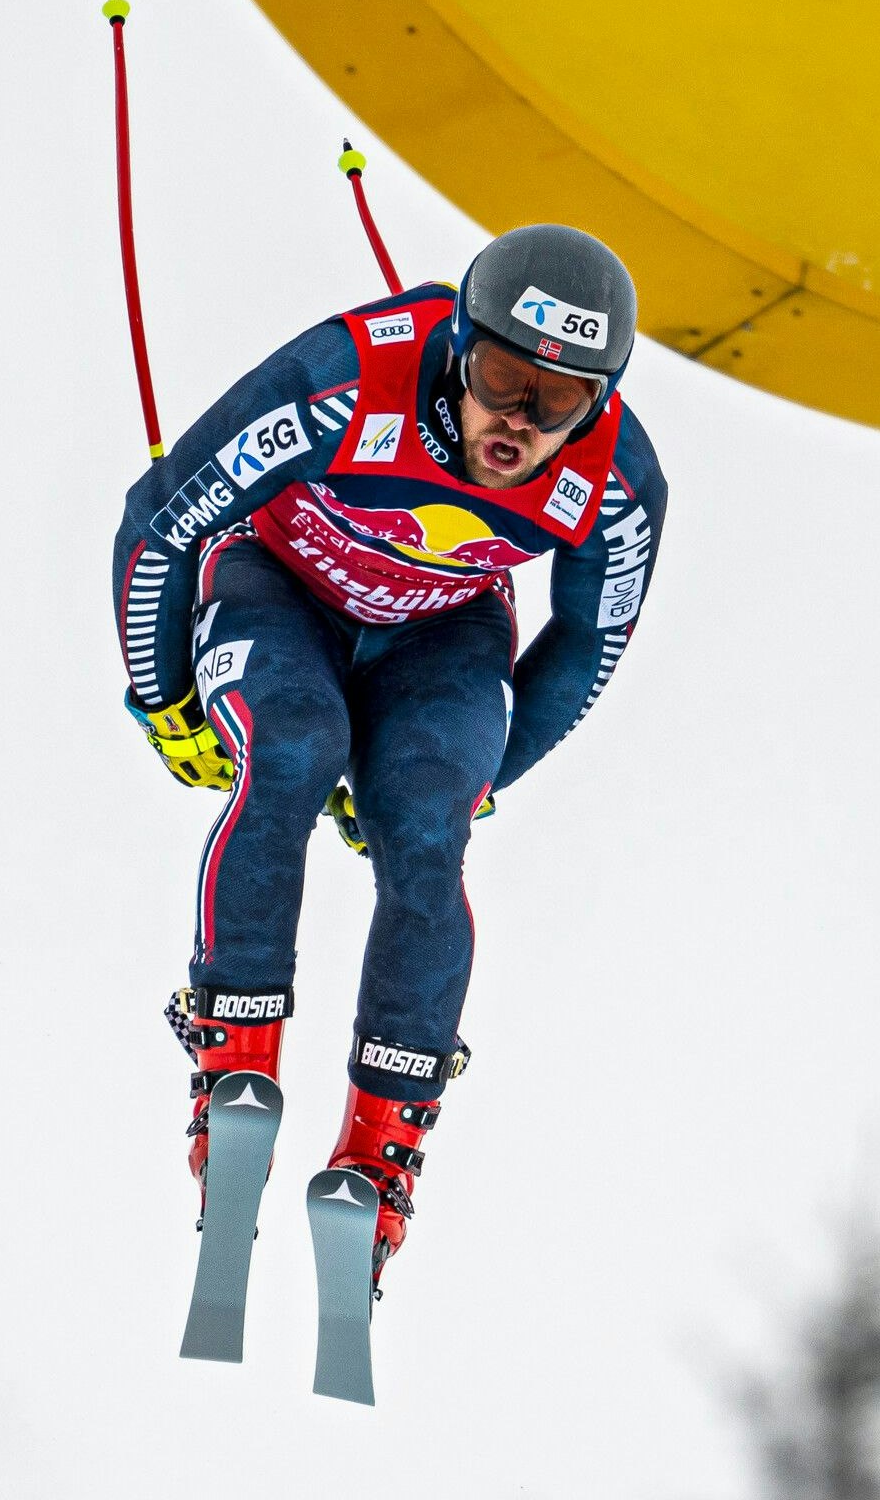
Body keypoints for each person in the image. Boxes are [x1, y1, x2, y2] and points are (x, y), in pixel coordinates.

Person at [109, 224, 666, 1293]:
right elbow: (162, 520)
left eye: (560, 403)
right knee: (297, 753)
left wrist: (491, 775)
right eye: (505, 378)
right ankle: (233, 1060)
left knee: (427, 832)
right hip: (282, 588)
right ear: (460, 346)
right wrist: (163, 693)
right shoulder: (350, 377)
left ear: (599, 402)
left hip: (438, 639)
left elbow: (593, 637)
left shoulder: (619, 479)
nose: (519, 421)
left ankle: (384, 1141)